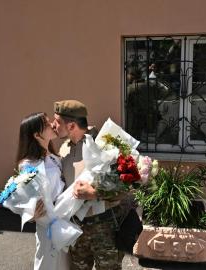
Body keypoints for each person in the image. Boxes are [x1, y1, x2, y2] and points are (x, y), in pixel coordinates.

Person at [52, 100, 126, 270]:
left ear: (71, 126)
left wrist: (95, 193)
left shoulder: (106, 144)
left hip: (105, 228)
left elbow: (127, 186)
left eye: (57, 121)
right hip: (76, 228)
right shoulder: (64, 149)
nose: (53, 125)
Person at [16, 112, 68, 270]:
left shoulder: (54, 157)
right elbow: (26, 198)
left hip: (64, 219)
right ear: (37, 134)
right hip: (47, 223)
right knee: (47, 262)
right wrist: (30, 214)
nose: (52, 124)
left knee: (64, 263)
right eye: (46, 124)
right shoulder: (28, 164)